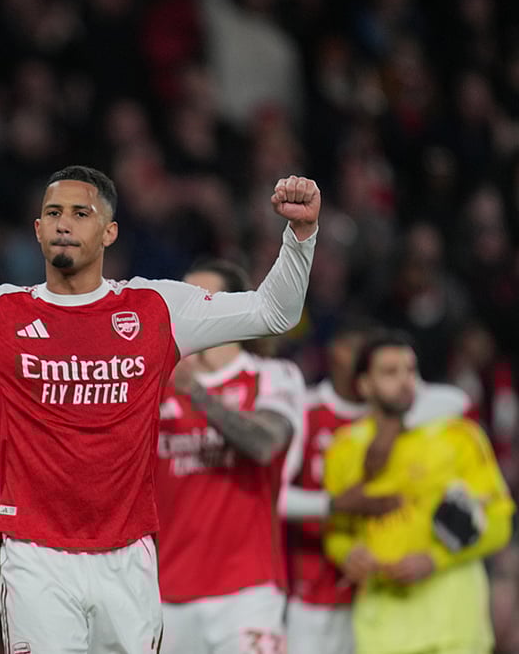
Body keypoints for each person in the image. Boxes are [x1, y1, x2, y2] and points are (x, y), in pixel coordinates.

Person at [0, 161, 321, 652]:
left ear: (109, 231)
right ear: (38, 229)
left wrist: (300, 235)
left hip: (129, 558)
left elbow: (274, 312)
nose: (65, 222)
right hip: (34, 557)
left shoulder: (157, 309)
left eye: (81, 213)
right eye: (53, 212)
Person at [281, 320, 476, 654]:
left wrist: (396, 424)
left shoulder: (401, 407)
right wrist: (335, 505)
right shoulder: (307, 409)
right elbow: (275, 498)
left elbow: (457, 399)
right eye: (352, 345)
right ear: (336, 353)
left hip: (379, 589)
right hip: (314, 585)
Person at [323, 330, 514, 654]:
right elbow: (336, 533)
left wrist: (435, 559)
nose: (405, 381)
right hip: (381, 629)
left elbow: (499, 524)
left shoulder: (458, 435)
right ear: (364, 385)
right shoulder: (344, 448)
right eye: (390, 372)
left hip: (454, 623)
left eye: (411, 370)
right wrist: (350, 554)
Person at [154, 259, 305, 654]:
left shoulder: (271, 375)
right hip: (164, 595)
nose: (190, 310)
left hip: (247, 593)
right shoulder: (153, 388)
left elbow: (265, 445)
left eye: (204, 299)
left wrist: (198, 395)